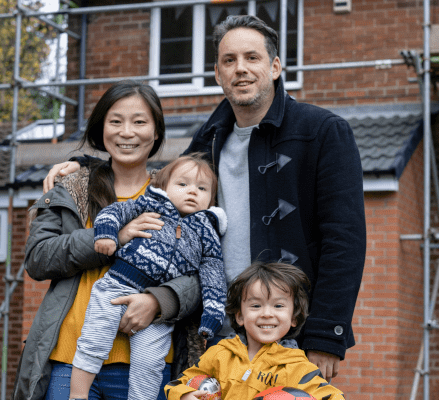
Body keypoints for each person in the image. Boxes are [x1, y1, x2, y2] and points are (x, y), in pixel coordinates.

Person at [45, 15, 366, 379]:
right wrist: (84, 166)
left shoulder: (323, 132)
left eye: (252, 58)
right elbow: (162, 181)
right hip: (214, 334)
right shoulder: (208, 139)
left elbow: (345, 240)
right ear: (217, 73)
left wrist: (326, 335)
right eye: (229, 61)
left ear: (275, 67)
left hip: (291, 332)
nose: (240, 69)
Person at [15, 81, 204, 400]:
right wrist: (110, 238)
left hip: (144, 367)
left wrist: (162, 301)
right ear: (101, 128)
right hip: (68, 361)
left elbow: (203, 273)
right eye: (115, 121)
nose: (127, 132)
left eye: (140, 121)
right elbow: (38, 258)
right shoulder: (72, 188)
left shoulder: (179, 193)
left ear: (156, 132)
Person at [70, 154, 229, 400]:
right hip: (118, 285)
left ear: (211, 198)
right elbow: (114, 211)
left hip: (157, 311)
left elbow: (214, 275)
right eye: (183, 184)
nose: (192, 192)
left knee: (150, 363)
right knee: (94, 341)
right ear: (164, 187)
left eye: (202, 188)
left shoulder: (207, 233)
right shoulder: (151, 204)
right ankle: (77, 395)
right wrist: (106, 234)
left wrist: (213, 315)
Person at [163, 262, 346, 400]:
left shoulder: (297, 367)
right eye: (256, 305)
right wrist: (185, 395)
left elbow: (332, 396)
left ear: (294, 318)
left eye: (278, 305)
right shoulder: (220, 353)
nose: (267, 314)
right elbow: (180, 382)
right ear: (239, 316)